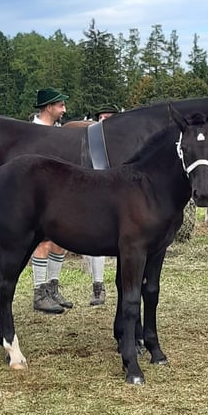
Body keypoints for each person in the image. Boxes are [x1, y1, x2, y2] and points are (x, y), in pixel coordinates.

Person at [30, 87, 74, 313]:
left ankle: (52, 289)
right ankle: (39, 293)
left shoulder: (59, 132)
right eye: (60, 105)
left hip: (59, 193)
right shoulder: (31, 132)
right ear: (48, 107)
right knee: (42, 242)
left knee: (60, 241)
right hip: (39, 195)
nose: (64, 110)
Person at [86, 103, 122, 306]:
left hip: (121, 199)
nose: (105, 121)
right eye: (102, 118)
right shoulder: (92, 140)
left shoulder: (124, 140)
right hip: (97, 196)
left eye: (110, 117)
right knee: (97, 244)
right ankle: (98, 287)